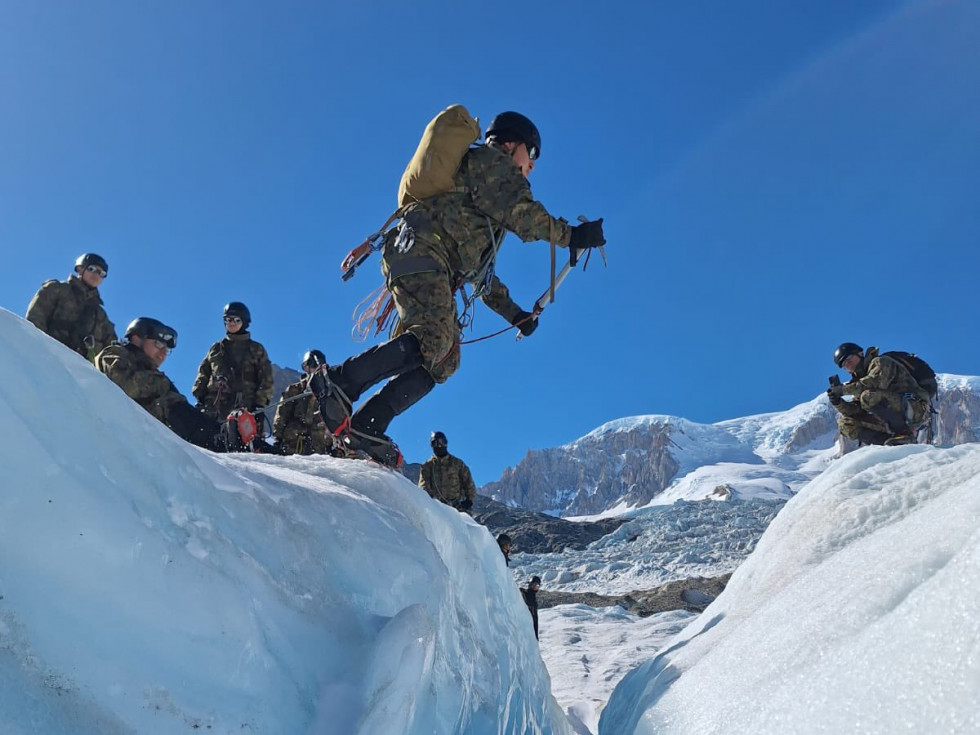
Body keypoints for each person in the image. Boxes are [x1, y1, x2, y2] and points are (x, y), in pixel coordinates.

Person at [312, 111, 607, 465]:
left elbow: (481, 277)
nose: (531, 167)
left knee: (446, 359)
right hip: (424, 249)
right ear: (512, 145)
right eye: (531, 156)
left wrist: (515, 315)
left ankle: (367, 424)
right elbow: (523, 216)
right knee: (433, 340)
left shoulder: (483, 195)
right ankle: (341, 383)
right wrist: (572, 236)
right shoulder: (492, 164)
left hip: (426, 255)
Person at [96, 317, 235, 450]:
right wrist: (164, 385)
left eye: (167, 349)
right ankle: (223, 439)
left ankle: (227, 437)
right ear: (136, 338)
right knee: (171, 403)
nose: (163, 353)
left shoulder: (150, 373)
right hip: (112, 430)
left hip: (143, 436)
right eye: (158, 344)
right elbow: (127, 385)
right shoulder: (114, 353)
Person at [827, 342, 931, 446]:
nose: (847, 363)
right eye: (843, 364)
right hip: (895, 415)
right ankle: (890, 442)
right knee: (846, 424)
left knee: (868, 396)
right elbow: (856, 409)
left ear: (860, 353)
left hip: (914, 408)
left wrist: (843, 390)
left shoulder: (880, 362)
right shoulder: (858, 381)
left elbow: (873, 383)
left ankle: (905, 434)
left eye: (849, 357)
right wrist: (838, 402)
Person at [192, 302, 274, 426]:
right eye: (228, 319)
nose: (231, 323)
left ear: (245, 322)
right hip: (213, 406)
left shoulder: (256, 349)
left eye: (236, 320)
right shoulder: (216, 349)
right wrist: (199, 397)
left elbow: (266, 379)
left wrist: (259, 405)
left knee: (240, 442)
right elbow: (203, 373)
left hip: (244, 409)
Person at [26, 253, 117, 362]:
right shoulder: (57, 290)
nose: (96, 275)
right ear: (80, 269)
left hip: (79, 373)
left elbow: (111, 351)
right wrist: (39, 350)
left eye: (101, 273)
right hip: (46, 358)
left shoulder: (100, 315)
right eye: (92, 269)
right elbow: (35, 319)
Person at [272, 349, 331, 456]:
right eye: (313, 366)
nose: (316, 371)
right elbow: (282, 415)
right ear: (306, 368)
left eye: (319, 367)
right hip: (292, 448)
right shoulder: (294, 390)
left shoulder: (329, 394)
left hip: (319, 453)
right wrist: (277, 439)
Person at [418, 431, 477, 513]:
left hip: (458, 509)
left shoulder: (457, 464)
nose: (439, 446)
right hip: (437, 509)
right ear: (431, 445)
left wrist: (469, 501)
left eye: (442, 442)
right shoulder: (427, 466)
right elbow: (423, 488)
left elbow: (469, 483)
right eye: (435, 443)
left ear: (446, 444)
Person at [520, 575, 541, 640]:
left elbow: (535, 618)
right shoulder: (524, 593)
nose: (535, 587)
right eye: (534, 585)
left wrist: (536, 635)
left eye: (537, 586)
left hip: (530, 630)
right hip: (526, 629)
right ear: (530, 584)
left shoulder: (532, 596)